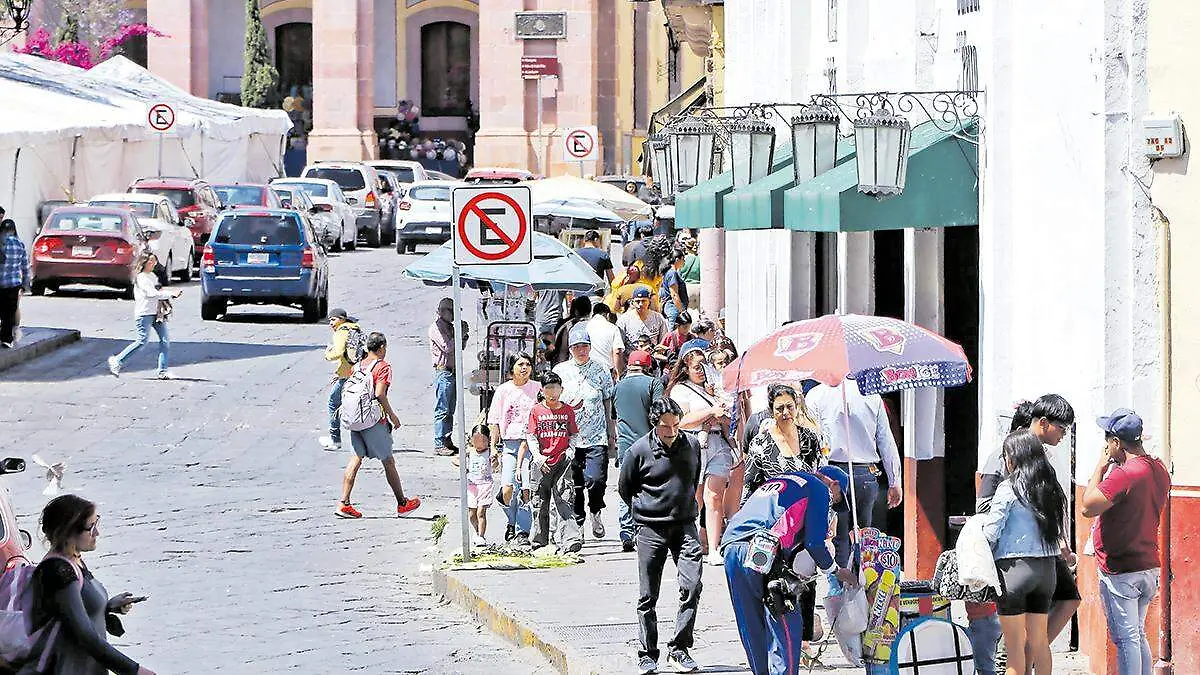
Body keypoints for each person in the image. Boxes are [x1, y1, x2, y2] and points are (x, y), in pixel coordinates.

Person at [971, 395, 1080, 675]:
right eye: (1061, 428)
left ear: (1013, 458)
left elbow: (992, 528)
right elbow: (1057, 522)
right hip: (1044, 567)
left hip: (1016, 566)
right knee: (1039, 642)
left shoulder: (1011, 486)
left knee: (1015, 649)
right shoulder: (1046, 482)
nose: (1063, 435)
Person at [721, 466, 856, 675]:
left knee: (751, 624)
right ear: (834, 485)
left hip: (731, 545)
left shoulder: (780, 480)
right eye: (837, 499)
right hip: (764, 548)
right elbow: (814, 543)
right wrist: (836, 570)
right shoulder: (820, 488)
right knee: (786, 623)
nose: (833, 504)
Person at [617, 398, 704, 675]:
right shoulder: (638, 451)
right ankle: (647, 653)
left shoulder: (691, 445)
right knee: (648, 595)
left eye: (676, 425)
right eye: (665, 426)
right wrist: (644, 513)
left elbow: (693, 478)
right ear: (654, 424)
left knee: (692, 586)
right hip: (650, 528)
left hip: (685, 525)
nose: (672, 431)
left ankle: (679, 648)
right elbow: (625, 488)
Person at [1082, 408, 1170, 675]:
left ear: (1116, 442)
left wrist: (1100, 466)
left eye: (1107, 441)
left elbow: (1087, 507)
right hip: (1147, 565)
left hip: (1121, 569)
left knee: (1126, 638)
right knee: (1137, 634)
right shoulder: (1159, 469)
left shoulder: (1125, 474)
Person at [28, 494, 155, 675]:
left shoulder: (74, 560)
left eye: (97, 523)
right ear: (68, 531)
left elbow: (70, 613)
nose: (97, 533)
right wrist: (135, 671)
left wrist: (106, 606)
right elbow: (85, 636)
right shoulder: (57, 570)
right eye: (91, 527)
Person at [805, 380, 902, 567]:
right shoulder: (872, 395)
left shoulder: (816, 395)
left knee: (837, 537)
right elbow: (885, 441)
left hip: (831, 474)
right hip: (864, 474)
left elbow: (813, 441)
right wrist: (894, 480)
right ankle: (862, 579)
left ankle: (841, 581)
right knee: (865, 538)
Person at [337, 332, 422, 519]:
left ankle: (344, 503)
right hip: (373, 421)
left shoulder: (357, 366)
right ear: (382, 347)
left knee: (356, 458)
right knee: (388, 461)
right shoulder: (382, 367)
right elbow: (379, 393)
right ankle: (402, 504)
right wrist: (392, 416)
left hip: (355, 419)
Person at [668, 347, 735, 566]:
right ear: (686, 368)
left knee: (714, 496)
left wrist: (723, 415)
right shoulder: (680, 390)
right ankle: (691, 541)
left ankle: (714, 548)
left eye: (703, 367)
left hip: (718, 443)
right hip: (693, 443)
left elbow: (728, 418)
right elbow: (682, 421)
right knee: (694, 499)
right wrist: (710, 412)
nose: (701, 371)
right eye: (696, 367)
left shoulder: (712, 390)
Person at [554, 324, 617, 539]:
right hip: (569, 437)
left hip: (596, 435)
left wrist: (611, 431)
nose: (581, 350)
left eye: (585, 346)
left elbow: (607, 400)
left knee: (596, 479)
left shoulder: (601, 369)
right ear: (570, 348)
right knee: (575, 483)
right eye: (576, 347)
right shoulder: (560, 371)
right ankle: (578, 522)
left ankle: (596, 510)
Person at [613, 349, 666, 552]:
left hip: (625, 446)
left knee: (626, 487)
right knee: (650, 488)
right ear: (647, 367)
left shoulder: (618, 387)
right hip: (649, 444)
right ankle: (646, 529)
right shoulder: (653, 383)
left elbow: (615, 416)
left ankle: (626, 532)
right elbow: (660, 413)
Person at [487, 353, 541, 544]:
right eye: (520, 364)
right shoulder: (503, 390)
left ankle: (522, 531)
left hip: (531, 445)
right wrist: (493, 448)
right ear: (512, 368)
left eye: (527, 364)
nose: (524, 368)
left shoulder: (537, 388)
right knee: (508, 488)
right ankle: (511, 520)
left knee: (526, 488)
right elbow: (494, 420)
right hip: (510, 444)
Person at [526, 371, 582, 552]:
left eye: (556, 388)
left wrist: (570, 451)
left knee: (565, 499)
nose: (552, 393)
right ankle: (539, 541)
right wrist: (538, 457)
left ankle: (571, 540)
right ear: (542, 390)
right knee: (539, 502)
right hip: (541, 463)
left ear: (561, 390)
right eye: (548, 388)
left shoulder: (567, 411)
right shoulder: (536, 411)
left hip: (563, 461)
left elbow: (574, 434)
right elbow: (531, 437)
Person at [107, 253, 180, 379]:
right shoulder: (141, 277)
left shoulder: (152, 276)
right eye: (150, 261)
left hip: (156, 313)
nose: (153, 264)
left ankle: (162, 371)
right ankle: (117, 360)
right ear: (144, 262)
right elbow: (151, 293)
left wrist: (165, 293)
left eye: (154, 261)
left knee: (165, 340)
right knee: (142, 340)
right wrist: (171, 294)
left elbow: (157, 291)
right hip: (144, 313)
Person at [319, 309, 362, 451]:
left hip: (348, 376)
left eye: (333, 320)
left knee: (333, 403)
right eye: (330, 320)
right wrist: (339, 372)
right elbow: (349, 356)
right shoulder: (354, 329)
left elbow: (338, 353)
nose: (331, 323)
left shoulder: (341, 332)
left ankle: (335, 439)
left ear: (342, 319)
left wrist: (327, 354)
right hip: (357, 372)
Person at [429, 297, 466, 456]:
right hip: (443, 372)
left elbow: (460, 347)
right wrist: (459, 334)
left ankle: (447, 440)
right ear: (443, 311)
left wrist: (464, 335)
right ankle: (439, 442)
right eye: (452, 312)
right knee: (442, 409)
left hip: (453, 372)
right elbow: (447, 347)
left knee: (450, 409)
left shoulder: (450, 327)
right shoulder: (436, 328)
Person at [0, 219, 30, 348]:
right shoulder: (20, 244)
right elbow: (25, 266)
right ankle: (7, 339)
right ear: (14, 230)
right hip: (13, 285)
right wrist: (25, 284)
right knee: (9, 313)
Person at [466, 425, 497, 545]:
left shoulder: (489, 453)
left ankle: (481, 536)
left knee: (481, 512)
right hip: (472, 486)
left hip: (485, 485)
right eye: (476, 440)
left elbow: (495, 466)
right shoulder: (469, 452)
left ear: (488, 440)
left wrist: (495, 460)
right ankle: (476, 530)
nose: (479, 444)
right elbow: (456, 460)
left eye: (483, 440)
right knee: (471, 514)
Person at [548, 295, 593, 365]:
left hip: (573, 364)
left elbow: (563, 350)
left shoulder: (568, 326)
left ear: (576, 311)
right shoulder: (594, 325)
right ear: (590, 311)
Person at [585, 302, 625, 376]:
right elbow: (617, 351)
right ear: (608, 315)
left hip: (588, 370)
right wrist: (619, 372)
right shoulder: (613, 328)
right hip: (607, 371)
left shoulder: (586, 326)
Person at [659, 251, 689, 325]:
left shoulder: (670, 272)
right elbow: (674, 294)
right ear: (677, 260)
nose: (684, 261)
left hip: (673, 309)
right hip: (674, 309)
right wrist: (682, 311)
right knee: (672, 330)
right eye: (683, 259)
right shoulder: (672, 273)